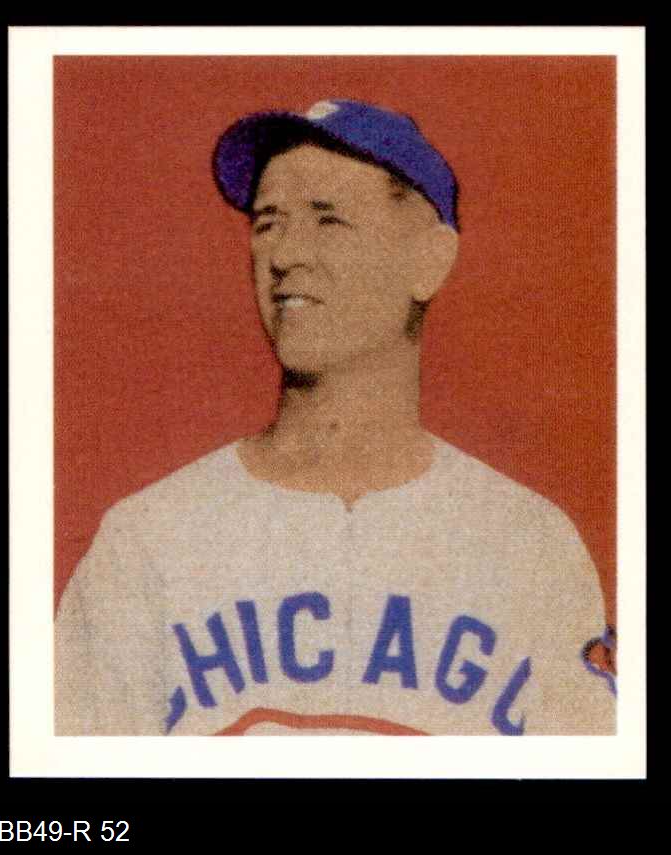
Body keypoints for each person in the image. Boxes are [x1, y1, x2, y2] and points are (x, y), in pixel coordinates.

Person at [55, 99, 616, 736]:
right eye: (268, 222)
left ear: (428, 261)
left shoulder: (531, 547)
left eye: (329, 220)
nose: (285, 254)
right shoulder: (146, 539)